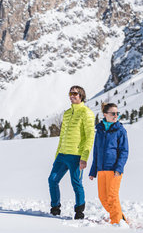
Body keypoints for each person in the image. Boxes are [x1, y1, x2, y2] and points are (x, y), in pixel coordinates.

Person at [48, 85, 95, 219]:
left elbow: (89, 136)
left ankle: (79, 211)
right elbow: (62, 136)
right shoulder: (67, 113)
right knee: (52, 180)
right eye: (70, 93)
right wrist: (57, 154)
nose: (72, 95)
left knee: (76, 183)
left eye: (75, 93)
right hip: (62, 155)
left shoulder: (87, 113)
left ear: (81, 96)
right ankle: (55, 208)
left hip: (76, 156)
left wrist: (84, 157)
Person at [89, 102, 129, 226]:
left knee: (112, 196)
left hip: (114, 169)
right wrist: (93, 171)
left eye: (117, 113)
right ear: (105, 114)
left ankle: (117, 223)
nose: (115, 115)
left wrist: (119, 167)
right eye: (113, 113)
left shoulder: (120, 131)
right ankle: (120, 217)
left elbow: (124, 151)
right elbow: (96, 152)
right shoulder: (100, 131)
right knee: (103, 197)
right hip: (101, 169)